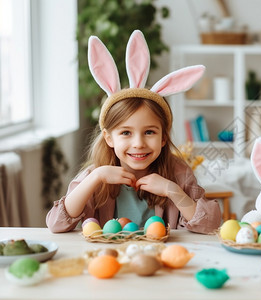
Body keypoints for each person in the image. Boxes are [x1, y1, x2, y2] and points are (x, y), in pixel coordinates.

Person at [46, 30, 221, 234]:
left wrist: (171, 190)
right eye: (126, 133)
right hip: (111, 259)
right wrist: (95, 178)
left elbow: (210, 225)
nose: (138, 143)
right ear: (108, 138)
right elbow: (56, 224)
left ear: (163, 137)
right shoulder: (96, 176)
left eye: (149, 132)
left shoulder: (178, 174)